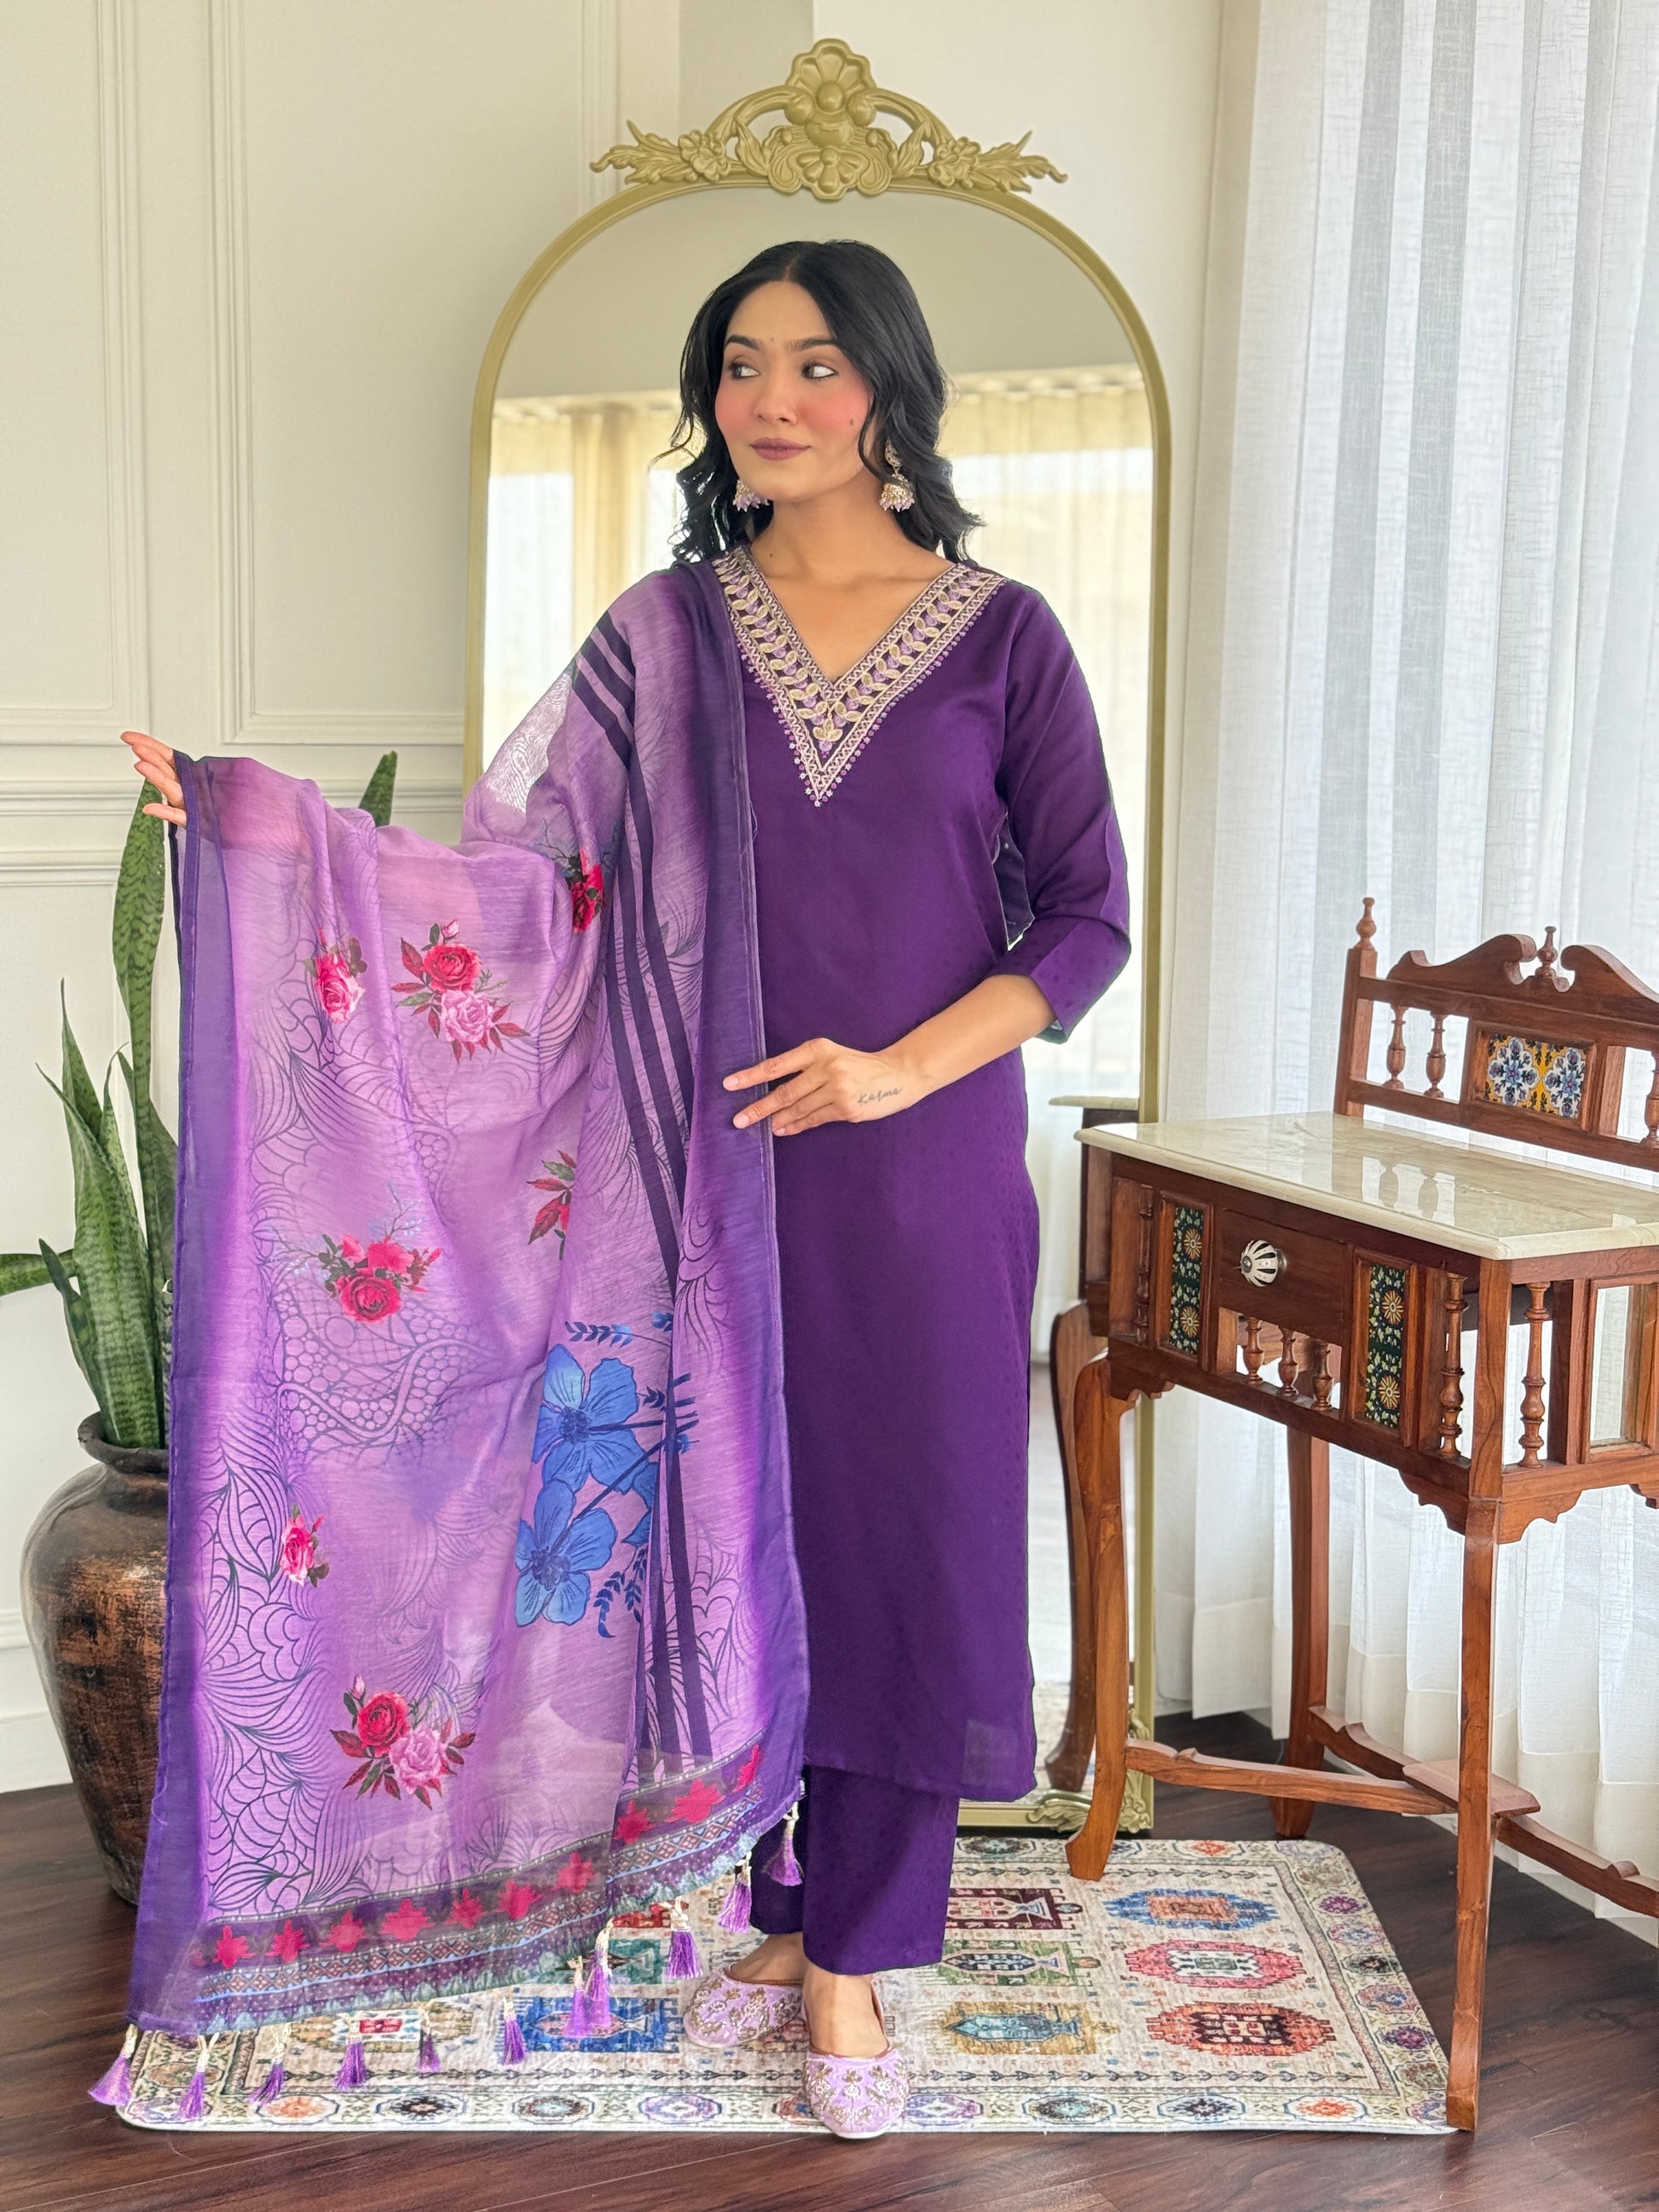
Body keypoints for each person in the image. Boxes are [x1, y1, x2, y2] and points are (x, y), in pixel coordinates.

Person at [122, 237, 1128, 2141]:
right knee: (735, 1522)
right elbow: (526, 889)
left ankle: (855, 1959)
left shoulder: (1005, 639)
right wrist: (263, 826)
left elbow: (1085, 919)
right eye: (740, 363)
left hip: (917, 1176)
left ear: (891, 390)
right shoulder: (666, 635)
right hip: (694, 1178)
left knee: (900, 1537)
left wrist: (897, 1068)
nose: (771, 398)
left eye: (815, 363)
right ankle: (780, 1899)